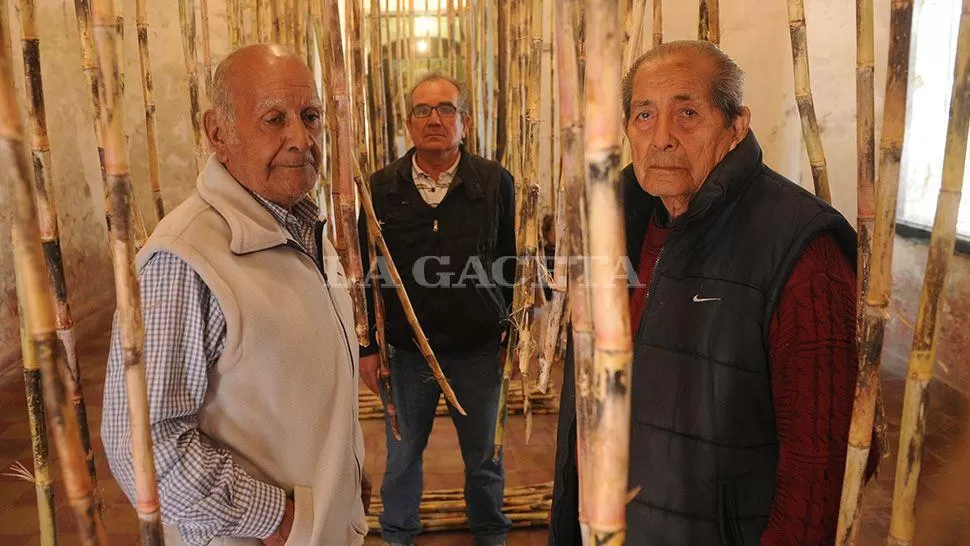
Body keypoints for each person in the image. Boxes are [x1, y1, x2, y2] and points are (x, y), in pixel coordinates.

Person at [549, 40, 878, 545]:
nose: (661, 138)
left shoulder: (799, 246)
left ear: (736, 125)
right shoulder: (612, 224)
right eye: (643, 115)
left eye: (687, 114)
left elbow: (821, 462)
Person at [102, 44, 368, 546]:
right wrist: (282, 520)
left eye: (309, 116)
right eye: (274, 119)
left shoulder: (305, 227)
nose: (300, 138)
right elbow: (143, 444)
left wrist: (345, 473)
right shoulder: (185, 259)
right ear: (218, 133)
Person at [358, 73, 516, 546]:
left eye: (446, 109)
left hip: (478, 350)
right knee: (403, 458)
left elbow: (510, 260)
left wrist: (511, 326)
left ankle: (491, 535)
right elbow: (366, 273)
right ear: (408, 123)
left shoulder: (494, 182)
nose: (435, 119)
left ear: (464, 122)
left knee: (485, 458)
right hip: (407, 354)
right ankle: (397, 536)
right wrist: (368, 347)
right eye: (423, 110)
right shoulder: (380, 188)